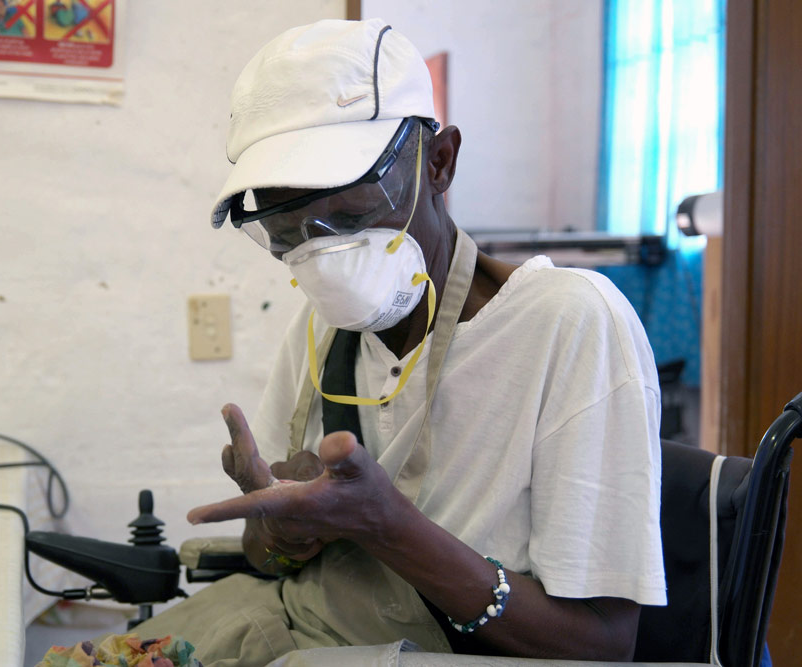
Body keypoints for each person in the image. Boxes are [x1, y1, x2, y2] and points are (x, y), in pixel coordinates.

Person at [136, 18, 666, 665]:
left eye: (353, 215)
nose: (323, 256)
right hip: (294, 627)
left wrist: (388, 525)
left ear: (439, 163)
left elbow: (602, 645)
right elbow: (267, 560)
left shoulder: (568, 323)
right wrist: (278, 529)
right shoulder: (319, 331)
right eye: (289, 229)